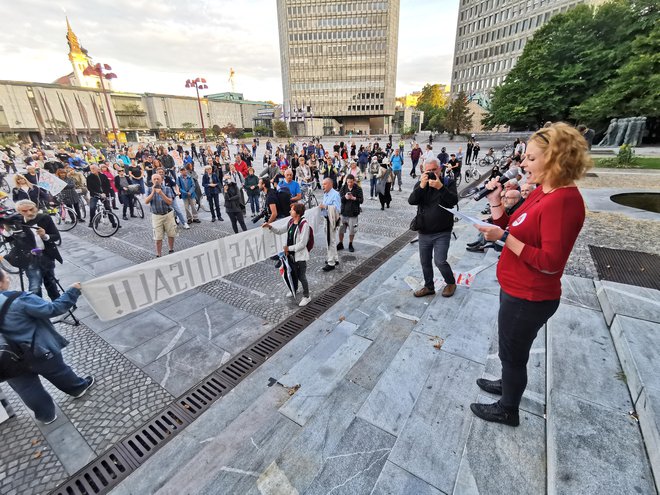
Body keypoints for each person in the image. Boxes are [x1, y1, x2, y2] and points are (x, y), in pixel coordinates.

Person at [470, 123, 590, 427]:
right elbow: (516, 223)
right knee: (510, 350)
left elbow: (550, 262)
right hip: (515, 288)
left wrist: (502, 237)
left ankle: (507, 408)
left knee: (513, 353)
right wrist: (496, 201)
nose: (523, 163)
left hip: (529, 296)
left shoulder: (563, 201)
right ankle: (507, 383)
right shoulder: (543, 190)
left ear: (556, 160)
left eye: (532, 159)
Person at [0, 269, 93, 424]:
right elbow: (53, 309)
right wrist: (72, 291)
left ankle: (46, 415)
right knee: (59, 372)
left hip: (5, 359)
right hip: (38, 350)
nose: (8, 277)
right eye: (6, 275)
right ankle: (78, 388)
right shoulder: (18, 299)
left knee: (26, 388)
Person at [408, 157, 458, 298]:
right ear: (423, 171)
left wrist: (440, 187)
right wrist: (422, 186)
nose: (431, 173)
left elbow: (453, 201)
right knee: (425, 262)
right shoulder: (420, 184)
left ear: (440, 169)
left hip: (443, 231)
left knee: (440, 261)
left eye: (434, 170)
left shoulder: (448, 182)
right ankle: (429, 286)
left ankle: (451, 283)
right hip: (424, 231)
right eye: (428, 170)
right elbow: (412, 201)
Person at [262, 203, 311, 307]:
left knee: (301, 276)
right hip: (290, 255)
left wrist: (288, 248)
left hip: (299, 256)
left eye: (292, 210)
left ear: (297, 213)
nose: (289, 212)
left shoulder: (304, 225)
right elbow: (280, 231)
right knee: (293, 273)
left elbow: (302, 244)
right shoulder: (291, 221)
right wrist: (270, 227)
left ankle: (307, 296)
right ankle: (295, 289)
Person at [144, 174, 176, 257]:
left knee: (171, 234)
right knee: (158, 237)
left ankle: (171, 249)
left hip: (168, 214)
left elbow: (170, 202)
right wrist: (153, 192)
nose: (156, 180)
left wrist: (161, 193)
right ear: (152, 180)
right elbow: (146, 201)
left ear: (161, 180)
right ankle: (158, 254)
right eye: (154, 179)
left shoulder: (167, 189)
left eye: (158, 179)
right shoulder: (149, 189)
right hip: (156, 216)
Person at [337, 174, 363, 253]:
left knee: (352, 230)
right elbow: (339, 199)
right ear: (346, 181)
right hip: (344, 212)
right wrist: (345, 197)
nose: (350, 184)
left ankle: (350, 243)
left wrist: (354, 198)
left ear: (354, 181)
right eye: (348, 182)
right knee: (341, 230)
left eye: (351, 182)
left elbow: (361, 200)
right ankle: (341, 243)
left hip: (353, 212)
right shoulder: (343, 188)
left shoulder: (358, 188)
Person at [320, 178, 342, 272]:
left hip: (331, 220)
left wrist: (325, 207)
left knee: (330, 241)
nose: (323, 186)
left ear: (330, 184)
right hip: (326, 219)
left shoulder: (335, 194)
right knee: (331, 240)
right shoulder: (326, 193)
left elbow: (337, 210)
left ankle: (331, 262)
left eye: (325, 184)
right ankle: (335, 258)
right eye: (322, 184)